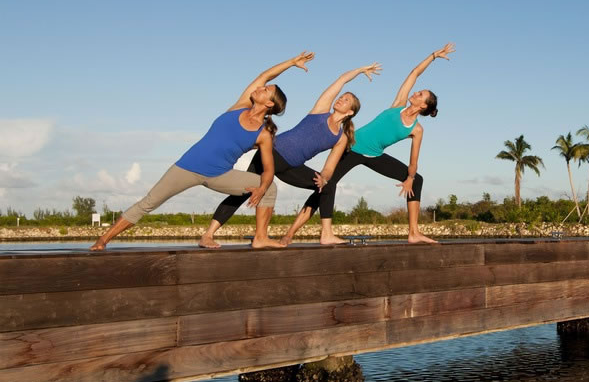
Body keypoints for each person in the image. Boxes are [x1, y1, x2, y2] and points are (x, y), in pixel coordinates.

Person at [89, 52, 314, 251]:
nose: (260, 87)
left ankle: (261, 238)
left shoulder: (264, 134)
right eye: (264, 87)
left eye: (266, 91)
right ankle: (103, 240)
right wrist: (291, 63)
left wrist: (261, 188)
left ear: (269, 104)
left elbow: (269, 169)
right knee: (149, 203)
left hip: (219, 175)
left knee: (270, 188)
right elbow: (264, 75)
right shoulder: (240, 106)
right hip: (186, 167)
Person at [282, 43, 454, 245]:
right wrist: (433, 55)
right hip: (352, 148)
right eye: (418, 91)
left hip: (375, 156)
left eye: (420, 95)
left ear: (423, 106)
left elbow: (413, 161)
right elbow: (414, 73)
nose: (415, 93)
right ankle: (290, 234)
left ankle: (414, 233)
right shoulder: (398, 105)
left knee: (417, 180)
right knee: (324, 185)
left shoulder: (416, 130)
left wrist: (409, 178)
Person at [198, 62, 382, 248]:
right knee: (244, 191)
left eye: (346, 100)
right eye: (342, 96)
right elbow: (341, 80)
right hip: (272, 152)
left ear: (350, 112)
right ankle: (209, 235)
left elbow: (328, 168)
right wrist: (359, 71)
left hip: (291, 166)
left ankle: (314, 234)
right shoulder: (321, 111)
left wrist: (324, 179)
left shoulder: (340, 138)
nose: (341, 99)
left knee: (327, 186)